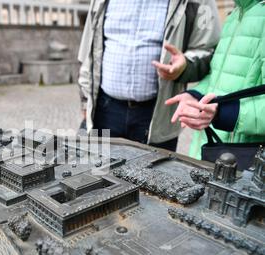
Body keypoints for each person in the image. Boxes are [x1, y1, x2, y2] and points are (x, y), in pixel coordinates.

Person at [78, 0, 221, 151]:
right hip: (105, 109)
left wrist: (185, 66)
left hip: (157, 114)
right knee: (96, 172)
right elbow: (88, 47)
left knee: (153, 174)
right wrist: (85, 101)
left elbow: (208, 50)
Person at [166, 0, 265, 159]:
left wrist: (226, 113)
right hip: (211, 152)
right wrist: (196, 95)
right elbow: (217, 77)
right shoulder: (235, 15)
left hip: (244, 164)